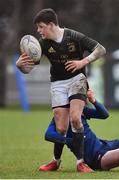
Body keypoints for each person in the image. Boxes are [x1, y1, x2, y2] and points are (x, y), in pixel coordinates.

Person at [16, 8, 106, 172]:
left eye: (41, 26)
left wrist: (82, 62)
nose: (38, 31)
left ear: (51, 25)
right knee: (61, 128)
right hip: (57, 83)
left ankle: (81, 163)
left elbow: (101, 49)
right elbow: (27, 69)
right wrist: (20, 66)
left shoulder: (74, 36)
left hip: (77, 79)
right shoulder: (42, 44)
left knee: (75, 119)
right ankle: (55, 161)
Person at [43, 89, 119, 171]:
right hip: (97, 158)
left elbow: (104, 114)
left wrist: (94, 101)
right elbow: (48, 135)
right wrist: (73, 142)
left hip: (105, 145)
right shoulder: (60, 118)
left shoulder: (82, 111)